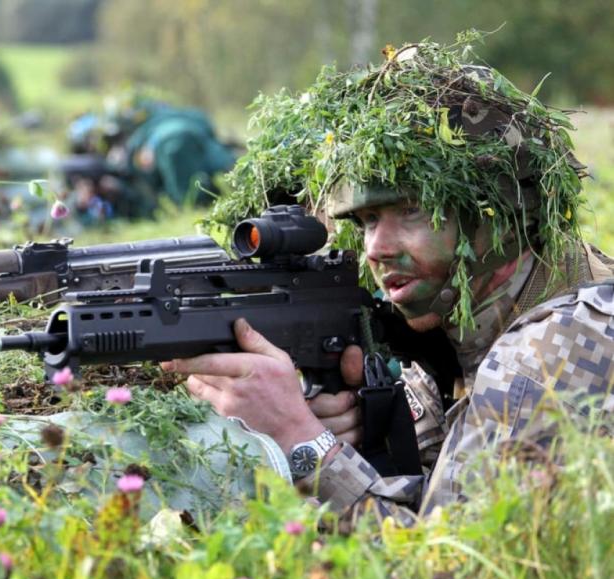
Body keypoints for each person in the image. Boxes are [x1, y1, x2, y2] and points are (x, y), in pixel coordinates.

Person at [162, 45, 614, 524]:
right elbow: (437, 482)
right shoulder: (461, 320)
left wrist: (301, 440)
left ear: (496, 215)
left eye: (412, 211)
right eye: (368, 219)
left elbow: (447, 572)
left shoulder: (553, 348)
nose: (377, 248)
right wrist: (358, 432)